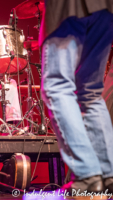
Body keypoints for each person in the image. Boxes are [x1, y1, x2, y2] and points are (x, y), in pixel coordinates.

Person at [40, 0, 113, 194]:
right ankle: (108, 176)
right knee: (91, 92)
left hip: (69, 6)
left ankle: (87, 175)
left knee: (57, 86)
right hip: (106, 9)